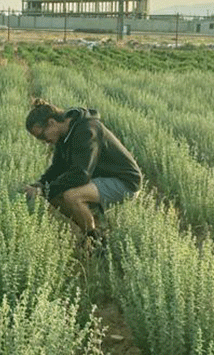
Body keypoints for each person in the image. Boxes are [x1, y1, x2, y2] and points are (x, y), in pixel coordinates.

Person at [23, 98, 141, 245]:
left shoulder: (86, 129)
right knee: (52, 193)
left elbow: (81, 174)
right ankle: (93, 227)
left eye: (42, 135)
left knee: (71, 196)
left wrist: (43, 190)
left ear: (52, 123)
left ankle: (96, 241)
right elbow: (57, 168)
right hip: (99, 179)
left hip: (124, 182)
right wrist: (40, 185)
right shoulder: (64, 135)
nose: (43, 140)